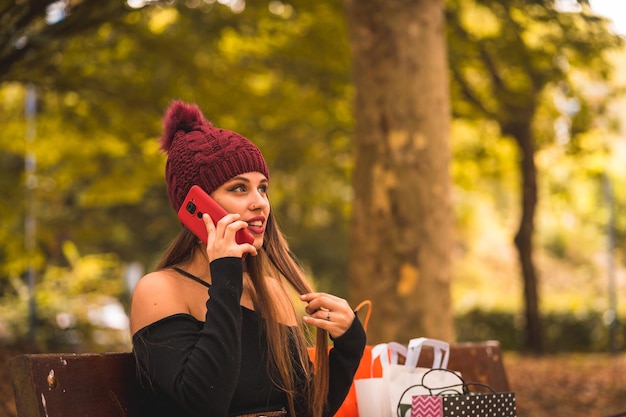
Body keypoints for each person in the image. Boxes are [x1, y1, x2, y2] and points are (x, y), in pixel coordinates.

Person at [129, 100, 366, 417]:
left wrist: (349, 345)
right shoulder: (159, 290)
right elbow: (203, 404)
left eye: (263, 188)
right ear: (196, 206)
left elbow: (307, 411)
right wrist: (224, 276)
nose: (260, 203)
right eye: (239, 188)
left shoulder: (268, 291)